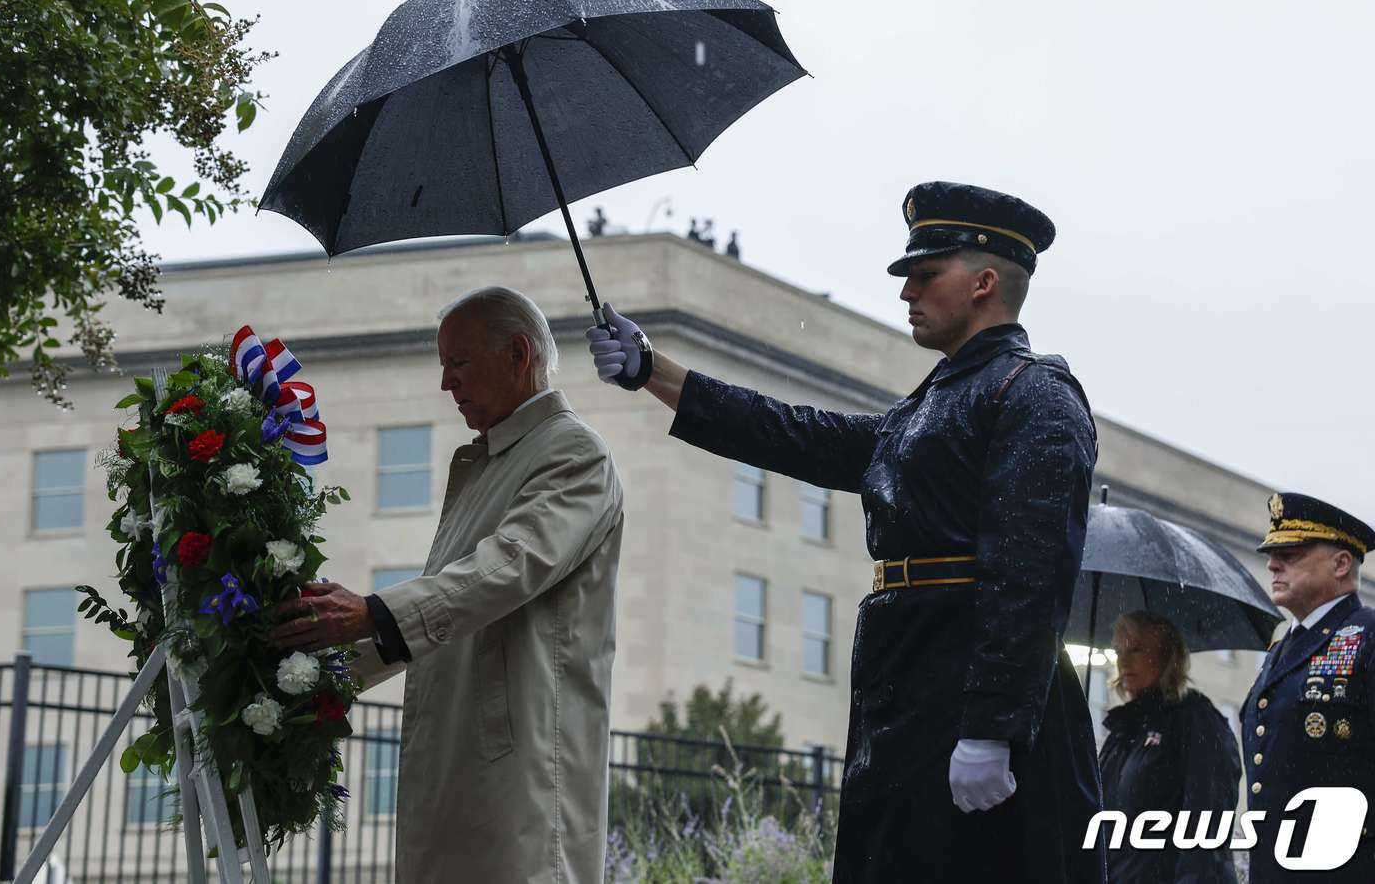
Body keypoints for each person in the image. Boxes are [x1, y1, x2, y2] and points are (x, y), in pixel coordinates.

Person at [588, 181, 1106, 881]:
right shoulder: (932, 403)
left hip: (966, 691)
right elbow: (796, 433)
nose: (907, 292)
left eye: (926, 274)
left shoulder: (1034, 393)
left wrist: (993, 726)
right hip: (910, 679)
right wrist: (654, 371)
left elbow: (1029, 573)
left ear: (984, 283)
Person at [272, 286, 625, 883]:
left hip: (520, 776)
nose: (445, 383)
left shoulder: (572, 451)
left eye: (458, 362)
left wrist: (370, 613)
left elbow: (507, 567)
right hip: (464, 767)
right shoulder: (492, 464)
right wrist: (314, 666)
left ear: (519, 354)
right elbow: (447, 610)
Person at [1242, 492, 1375, 882]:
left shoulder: (1368, 636)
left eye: (1291, 553)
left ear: (1341, 564)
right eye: (1272, 555)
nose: (1272, 564)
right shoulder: (1280, 651)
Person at [1099, 610, 1240, 883]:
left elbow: (1206, 833)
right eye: (1118, 651)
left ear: (1167, 656)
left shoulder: (1197, 721)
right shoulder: (1122, 729)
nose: (1124, 660)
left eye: (1136, 649)